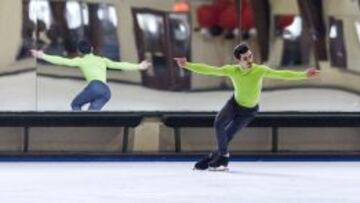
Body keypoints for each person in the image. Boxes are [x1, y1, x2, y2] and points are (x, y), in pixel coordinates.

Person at [174, 43, 320, 171]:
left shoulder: (259, 70)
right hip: (234, 104)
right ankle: (223, 157)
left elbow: (282, 74)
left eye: (250, 56)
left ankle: (212, 158)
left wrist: (305, 75)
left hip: (248, 111)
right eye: (245, 58)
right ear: (238, 60)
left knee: (228, 135)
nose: (249, 60)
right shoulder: (232, 70)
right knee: (218, 122)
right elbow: (210, 70)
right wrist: (187, 65)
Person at [31, 40, 151, 111]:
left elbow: (62, 60)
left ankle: (77, 129)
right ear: (92, 49)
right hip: (106, 91)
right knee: (92, 114)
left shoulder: (81, 61)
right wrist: (139, 66)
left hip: (95, 86)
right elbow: (120, 65)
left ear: (79, 52)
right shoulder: (102, 60)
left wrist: (43, 56)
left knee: (75, 104)